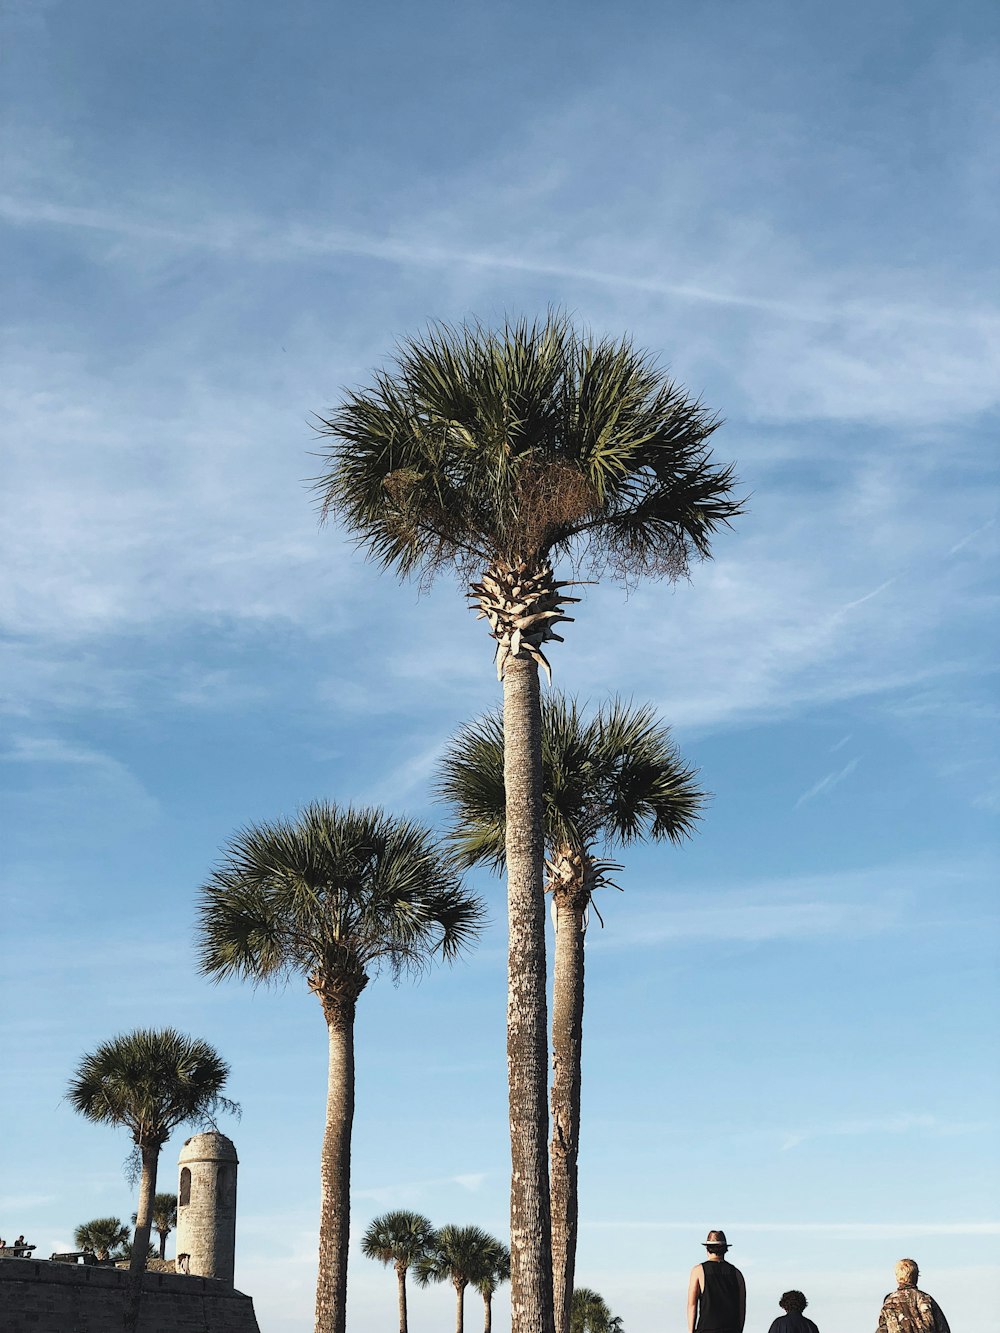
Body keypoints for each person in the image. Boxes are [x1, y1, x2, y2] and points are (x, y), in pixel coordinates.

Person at [687, 1229, 746, 1333]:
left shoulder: (698, 1271)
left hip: (706, 1328)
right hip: (731, 1329)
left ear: (707, 1249)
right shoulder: (737, 1274)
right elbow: (742, 1308)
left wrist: (691, 1331)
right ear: (725, 1249)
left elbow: (692, 1305)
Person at [877, 1259, 951, 1333]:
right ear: (916, 1277)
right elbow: (944, 1330)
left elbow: (882, 1330)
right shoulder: (926, 1300)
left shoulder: (889, 1303)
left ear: (897, 1277)